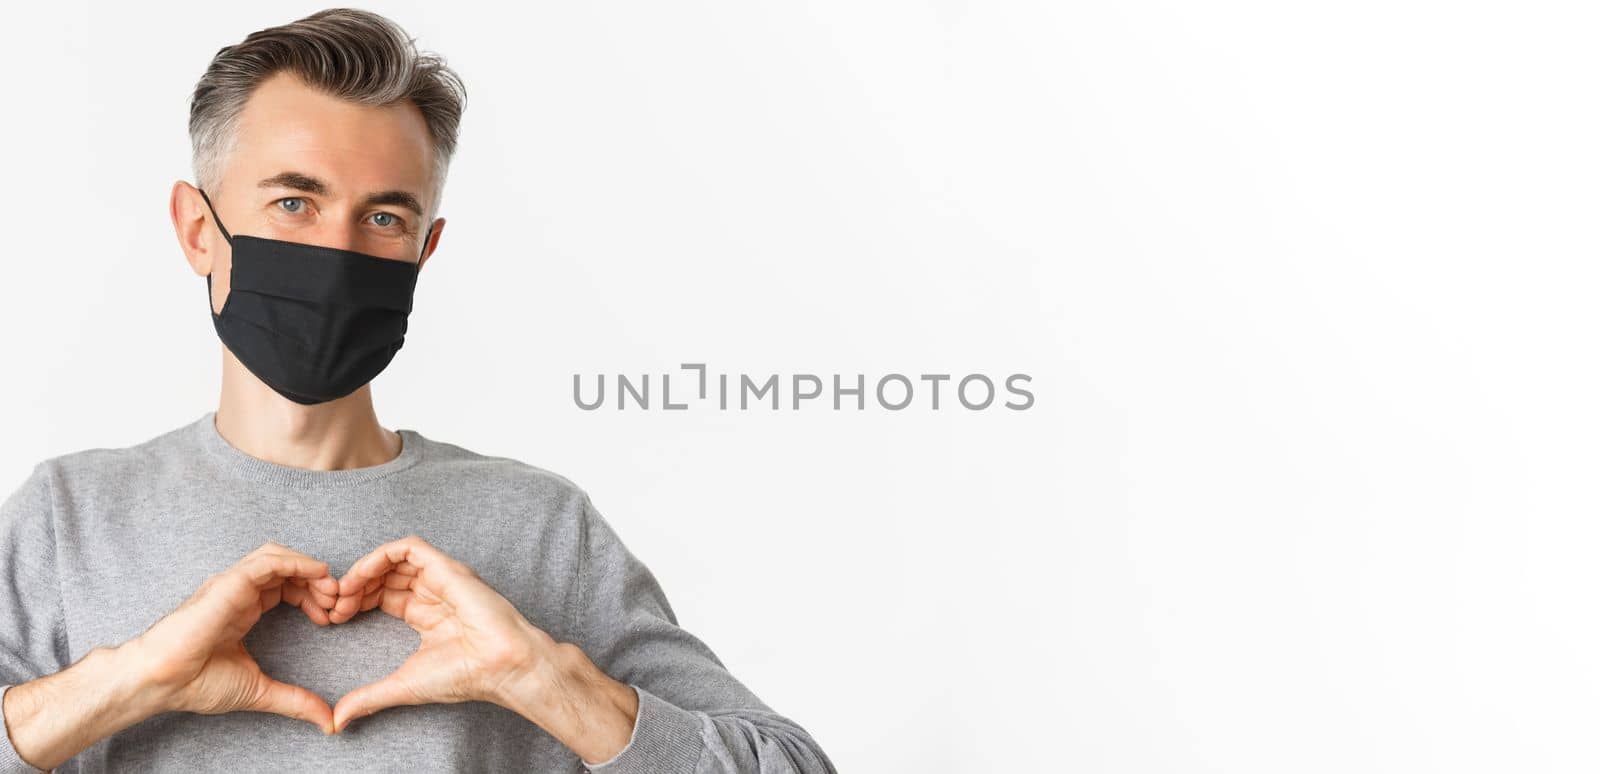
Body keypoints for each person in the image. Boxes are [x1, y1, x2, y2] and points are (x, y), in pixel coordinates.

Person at [0, 8, 835, 773]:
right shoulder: (70, 519)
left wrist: (547, 684)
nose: (336, 251)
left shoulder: (540, 528)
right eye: (294, 202)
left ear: (425, 250)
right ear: (197, 229)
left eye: (384, 219)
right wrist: (123, 683)